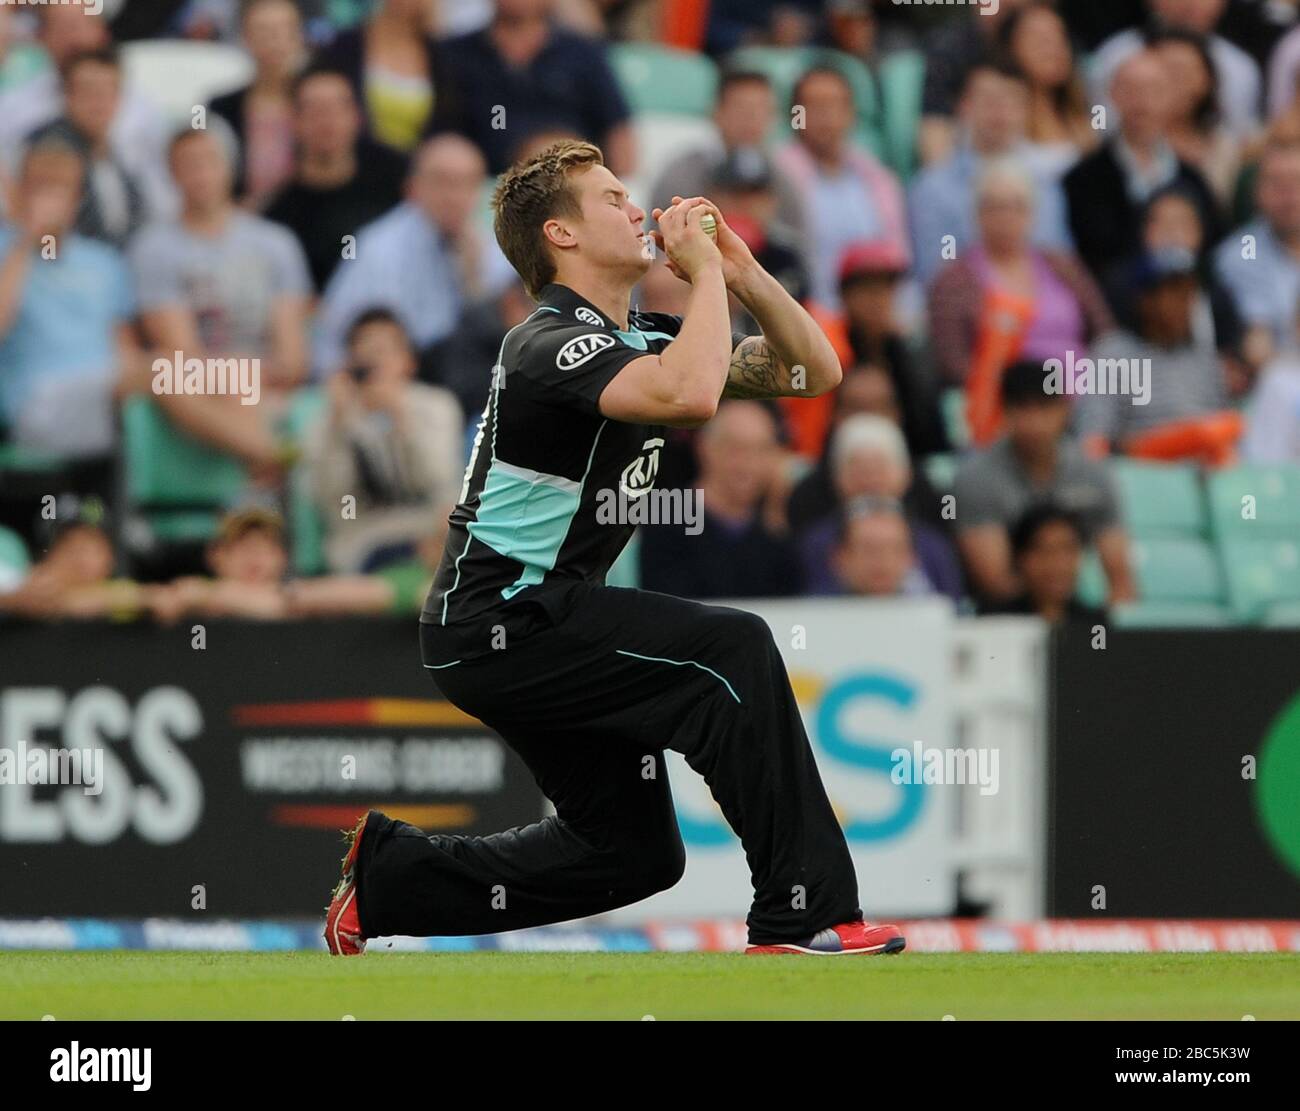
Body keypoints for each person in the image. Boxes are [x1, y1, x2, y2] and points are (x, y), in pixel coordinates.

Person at [324, 138, 907, 959]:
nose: (637, 209)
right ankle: (801, 913)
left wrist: (739, 271)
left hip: (534, 620)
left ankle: (389, 879)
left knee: (633, 852)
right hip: (502, 620)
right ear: (560, 236)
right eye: (611, 199)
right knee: (732, 649)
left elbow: (814, 372)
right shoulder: (545, 341)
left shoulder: (645, 333)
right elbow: (692, 392)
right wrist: (703, 275)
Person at [130, 126, 312, 471]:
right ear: (172, 174)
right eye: (188, 164)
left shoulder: (276, 243)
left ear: (230, 166)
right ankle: (272, 457)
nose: (201, 174)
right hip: (204, 383)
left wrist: (244, 372)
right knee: (164, 371)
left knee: (228, 384)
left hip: (256, 383)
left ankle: (264, 469)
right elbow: (183, 356)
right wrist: (239, 373)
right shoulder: (153, 248)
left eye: (209, 161)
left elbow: (292, 361)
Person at [929, 160, 1113, 446]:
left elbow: (1104, 331)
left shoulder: (1062, 265)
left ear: (1032, 214)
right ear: (977, 214)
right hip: (1007, 410)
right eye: (994, 207)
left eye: (1016, 206)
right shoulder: (954, 280)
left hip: (1081, 403)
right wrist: (1023, 403)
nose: (1005, 217)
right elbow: (952, 361)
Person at [312, 134, 514, 375]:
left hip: (469, 381)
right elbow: (336, 342)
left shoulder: (491, 244)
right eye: (442, 182)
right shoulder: (378, 248)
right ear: (413, 186)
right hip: (397, 381)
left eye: (467, 183)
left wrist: (474, 277)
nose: (454, 196)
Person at [0, 138, 142, 462]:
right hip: (40, 405)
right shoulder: (6, 249)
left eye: (60, 189)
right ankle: (273, 460)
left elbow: (124, 346)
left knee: (189, 375)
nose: (49, 199)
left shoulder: (102, 261)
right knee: (169, 376)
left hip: (112, 394)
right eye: (39, 187)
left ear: (77, 199)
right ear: (20, 192)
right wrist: (26, 243)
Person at [952, 360, 1135, 607]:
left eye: (1044, 407)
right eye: (1023, 408)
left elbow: (1121, 578)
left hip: (1072, 613)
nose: (1034, 422)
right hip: (1002, 619)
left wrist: (1107, 635)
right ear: (1004, 412)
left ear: (1064, 409)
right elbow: (995, 583)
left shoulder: (1094, 474)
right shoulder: (975, 479)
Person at [304, 308, 463, 573]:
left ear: (408, 360)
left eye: (383, 352)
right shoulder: (332, 418)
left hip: (429, 534)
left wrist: (403, 423)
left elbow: (440, 483)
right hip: (365, 540)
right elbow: (332, 500)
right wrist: (338, 427)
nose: (374, 364)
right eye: (364, 355)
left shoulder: (436, 406)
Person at [909, 61, 1073, 287]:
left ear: (1026, 110)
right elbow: (936, 271)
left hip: (1041, 311)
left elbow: (1060, 265)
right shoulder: (933, 189)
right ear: (965, 106)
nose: (1001, 113)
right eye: (990, 101)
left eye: (1012, 102)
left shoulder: (1046, 184)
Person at [1064, 49, 1222, 283]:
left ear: (1170, 96)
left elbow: (1213, 245)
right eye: (1131, 90)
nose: (1143, 102)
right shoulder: (1084, 177)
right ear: (1113, 94)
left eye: (1154, 90)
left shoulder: (1193, 178)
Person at [429, 0, 635, 176]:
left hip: (572, 179)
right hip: (481, 185)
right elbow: (441, 133)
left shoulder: (582, 52)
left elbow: (618, 132)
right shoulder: (455, 54)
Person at [1080, 250, 1240, 465]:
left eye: (1189, 293)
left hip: (1202, 478)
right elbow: (1092, 441)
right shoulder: (1114, 352)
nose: (1184, 303)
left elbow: (1222, 431)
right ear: (1145, 300)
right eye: (1174, 292)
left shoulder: (1203, 358)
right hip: (1140, 475)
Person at [263, 65, 408, 291]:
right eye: (315, 110)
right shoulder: (278, 217)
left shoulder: (398, 180)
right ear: (294, 121)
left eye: (338, 108)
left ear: (357, 116)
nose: (327, 121)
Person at [775, 65, 908, 310]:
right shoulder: (777, 178)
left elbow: (898, 257)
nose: (825, 115)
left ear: (852, 113)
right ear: (794, 115)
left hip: (872, 321)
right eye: (814, 106)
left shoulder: (880, 179)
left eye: (835, 105)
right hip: (806, 315)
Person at [638, 400, 802, 600]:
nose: (749, 463)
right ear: (704, 447)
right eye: (736, 448)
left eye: (762, 450)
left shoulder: (776, 530)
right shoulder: (665, 521)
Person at [650, 69, 804, 243]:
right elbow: (653, 245)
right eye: (741, 107)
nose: (751, 118)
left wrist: (764, 228)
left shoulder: (782, 177)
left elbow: (801, 249)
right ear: (717, 112)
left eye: (762, 109)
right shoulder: (682, 173)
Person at [1088, 0, 1262, 141]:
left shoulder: (1240, 67)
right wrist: (1102, 137)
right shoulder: (1115, 54)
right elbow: (1097, 111)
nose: (1192, 3)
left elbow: (1239, 131)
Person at [208, 0, 306, 207]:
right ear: (245, 37)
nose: (274, 41)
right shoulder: (221, 108)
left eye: (283, 30)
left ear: (299, 35)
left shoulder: (318, 101)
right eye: (263, 31)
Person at [1213, 141, 1300, 361]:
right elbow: (1258, 348)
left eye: (1297, 182)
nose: (1290, 197)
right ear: (1257, 192)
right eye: (1278, 184)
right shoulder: (1242, 251)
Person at [998, 0, 1097, 177]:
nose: (1054, 49)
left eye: (1059, 37)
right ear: (1010, 49)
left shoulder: (1092, 114)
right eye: (1040, 40)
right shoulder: (999, 124)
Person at [981, 503, 1109, 627]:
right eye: (1044, 550)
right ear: (1020, 557)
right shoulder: (995, 622)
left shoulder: (1096, 625)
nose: (1058, 564)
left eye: (1068, 549)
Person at [830, 497, 934, 599]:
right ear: (840, 557)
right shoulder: (818, 611)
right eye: (869, 550)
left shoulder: (937, 612)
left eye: (895, 549)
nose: (883, 560)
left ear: (913, 557)